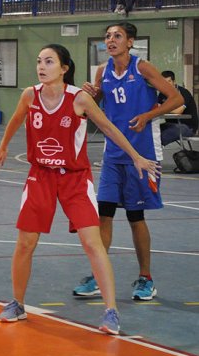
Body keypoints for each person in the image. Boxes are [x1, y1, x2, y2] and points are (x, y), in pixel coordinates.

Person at [0, 44, 160, 335]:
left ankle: (111, 312)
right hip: (41, 176)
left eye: (48, 61)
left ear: (64, 68)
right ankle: (17, 303)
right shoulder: (30, 95)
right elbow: (17, 119)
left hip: (74, 178)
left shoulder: (79, 99)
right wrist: (3, 145)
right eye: (39, 61)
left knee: (92, 243)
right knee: (25, 243)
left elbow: (108, 127)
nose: (41, 66)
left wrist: (136, 157)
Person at [72, 23, 182, 301]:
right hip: (114, 155)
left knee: (136, 216)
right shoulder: (103, 71)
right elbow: (96, 105)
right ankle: (98, 276)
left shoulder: (142, 68)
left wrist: (148, 115)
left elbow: (176, 98)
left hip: (143, 155)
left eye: (117, 36)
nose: (110, 40)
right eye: (107, 36)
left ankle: (146, 278)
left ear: (130, 42)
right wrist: (92, 93)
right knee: (104, 213)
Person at [158, 70, 198, 145]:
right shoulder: (162, 94)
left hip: (187, 126)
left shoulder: (184, 93)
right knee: (151, 132)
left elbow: (178, 111)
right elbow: (156, 107)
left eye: (169, 81)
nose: (166, 84)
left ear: (174, 82)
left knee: (162, 137)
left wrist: (163, 108)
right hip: (169, 124)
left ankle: (155, 154)